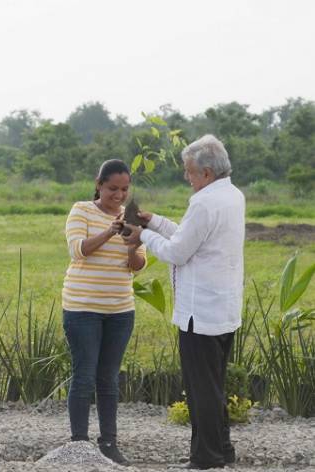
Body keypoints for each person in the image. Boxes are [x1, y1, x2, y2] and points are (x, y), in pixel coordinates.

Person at [123, 135, 243, 470]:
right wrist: (155, 221)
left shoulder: (203, 203)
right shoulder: (232, 195)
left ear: (206, 172)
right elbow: (190, 236)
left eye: (189, 171)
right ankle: (221, 451)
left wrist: (142, 235)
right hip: (223, 309)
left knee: (201, 388)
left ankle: (205, 458)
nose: (186, 177)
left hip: (199, 312)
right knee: (214, 384)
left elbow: (177, 251)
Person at [61, 159, 146, 465]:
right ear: (99, 184)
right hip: (82, 307)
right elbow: (78, 249)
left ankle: (109, 443)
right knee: (84, 375)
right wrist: (109, 232)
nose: (119, 195)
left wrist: (131, 244)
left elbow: (137, 267)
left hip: (120, 309)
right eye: (113, 188)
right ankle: (78, 443)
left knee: (109, 378)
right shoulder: (81, 210)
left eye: (124, 189)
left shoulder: (133, 216)